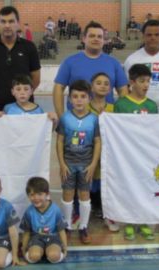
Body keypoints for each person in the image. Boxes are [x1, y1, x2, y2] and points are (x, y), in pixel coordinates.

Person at [113, 64, 158, 240]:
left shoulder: (152, 106)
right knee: (130, 188)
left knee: (146, 187)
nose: (146, 85)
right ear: (132, 82)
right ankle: (130, 222)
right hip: (128, 156)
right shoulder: (121, 105)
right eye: (141, 81)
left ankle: (145, 221)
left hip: (147, 156)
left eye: (148, 81)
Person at [56, 80, 100, 244]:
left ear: (89, 98)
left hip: (86, 165)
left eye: (83, 96)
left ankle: (83, 226)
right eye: (75, 96)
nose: (79, 100)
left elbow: (97, 142)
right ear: (70, 99)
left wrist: (93, 163)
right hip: (68, 164)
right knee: (67, 195)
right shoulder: (65, 118)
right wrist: (62, 163)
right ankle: (67, 226)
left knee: (84, 195)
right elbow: (60, 141)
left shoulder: (94, 119)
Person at [53, 21, 128, 117]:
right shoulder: (69, 62)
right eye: (92, 36)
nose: (96, 39)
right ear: (84, 39)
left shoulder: (114, 63)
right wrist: (61, 117)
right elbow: (58, 89)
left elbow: (123, 90)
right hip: (77, 119)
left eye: (99, 36)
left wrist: (120, 116)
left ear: (104, 40)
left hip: (107, 119)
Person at [0, 6, 41, 113]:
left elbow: (36, 78)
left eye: (11, 21)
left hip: (25, 110)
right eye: (3, 21)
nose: (7, 25)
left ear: (18, 23)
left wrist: (23, 95)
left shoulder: (29, 47)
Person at [87, 72, 119, 232]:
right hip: (89, 153)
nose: (103, 86)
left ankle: (105, 210)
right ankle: (90, 207)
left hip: (109, 154)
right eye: (98, 82)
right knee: (91, 180)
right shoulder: (84, 107)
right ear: (91, 87)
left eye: (106, 83)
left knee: (107, 180)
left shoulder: (114, 109)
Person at [20, 177, 68, 264]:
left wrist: (65, 247)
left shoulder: (55, 209)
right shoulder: (29, 212)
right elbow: (26, 232)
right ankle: (39, 252)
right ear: (28, 196)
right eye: (32, 194)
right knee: (33, 257)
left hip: (53, 237)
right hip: (36, 238)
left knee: (54, 256)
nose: (36, 198)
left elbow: (61, 230)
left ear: (47, 194)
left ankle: (50, 252)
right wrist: (23, 249)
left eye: (39, 194)